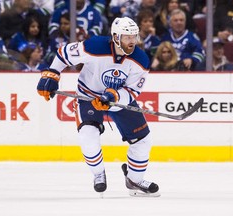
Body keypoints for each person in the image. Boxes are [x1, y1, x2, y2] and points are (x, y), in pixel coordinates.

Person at [36, 17, 160, 196]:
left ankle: (135, 180)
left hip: (117, 99)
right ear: (116, 37)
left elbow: (132, 90)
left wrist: (113, 96)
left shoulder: (140, 59)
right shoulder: (94, 46)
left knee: (143, 140)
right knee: (88, 133)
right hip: (88, 96)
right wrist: (52, 74)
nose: (132, 41)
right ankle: (98, 174)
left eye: (134, 36)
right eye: (127, 37)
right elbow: (64, 54)